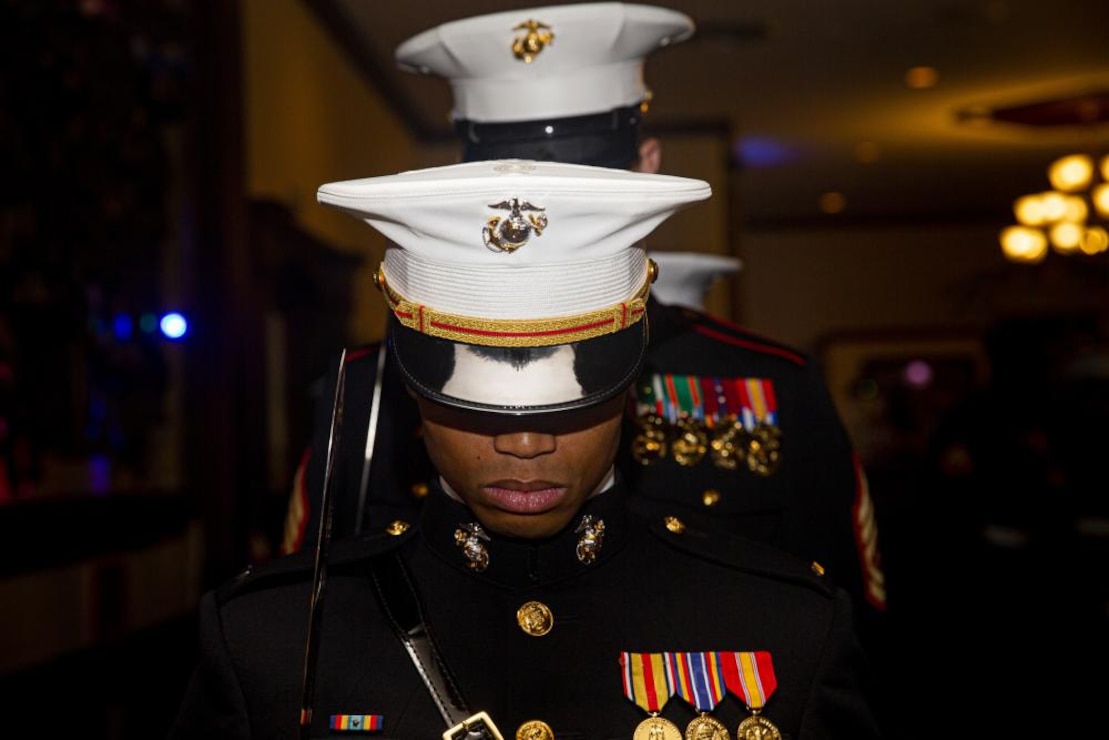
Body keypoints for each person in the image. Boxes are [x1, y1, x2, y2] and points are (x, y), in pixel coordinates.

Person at [171, 159, 880, 739]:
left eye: (573, 404)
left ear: (630, 388)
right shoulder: (271, 638)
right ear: (414, 395)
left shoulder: (785, 625)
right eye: (471, 406)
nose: (524, 441)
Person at [281, 2, 886, 652]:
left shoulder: (768, 382)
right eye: (500, 181)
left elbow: (843, 632)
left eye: (585, 177)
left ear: (646, 166)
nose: (530, 207)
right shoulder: (371, 386)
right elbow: (313, 618)